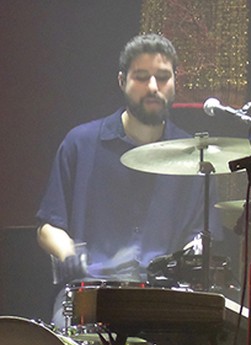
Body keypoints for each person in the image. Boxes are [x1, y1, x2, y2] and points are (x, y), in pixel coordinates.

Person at [36, 33, 210, 328]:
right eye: (141, 77)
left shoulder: (195, 157)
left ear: (175, 82)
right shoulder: (80, 143)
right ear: (121, 81)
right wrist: (69, 255)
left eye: (163, 77)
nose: (153, 87)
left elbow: (201, 240)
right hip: (89, 296)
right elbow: (48, 226)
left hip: (162, 301)